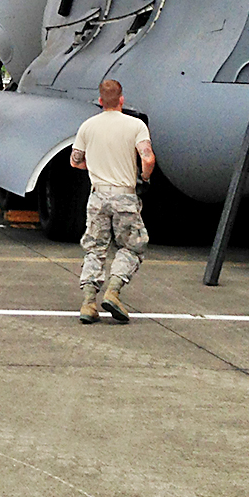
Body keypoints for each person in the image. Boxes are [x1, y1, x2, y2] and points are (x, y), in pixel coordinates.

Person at [70, 79, 155, 324]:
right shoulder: (136, 125)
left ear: (100, 100)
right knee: (132, 246)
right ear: (121, 100)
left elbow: (75, 161)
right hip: (124, 194)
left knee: (95, 248)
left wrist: (95, 168)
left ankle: (88, 303)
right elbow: (147, 159)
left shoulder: (88, 126)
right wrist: (144, 177)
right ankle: (113, 290)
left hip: (97, 195)